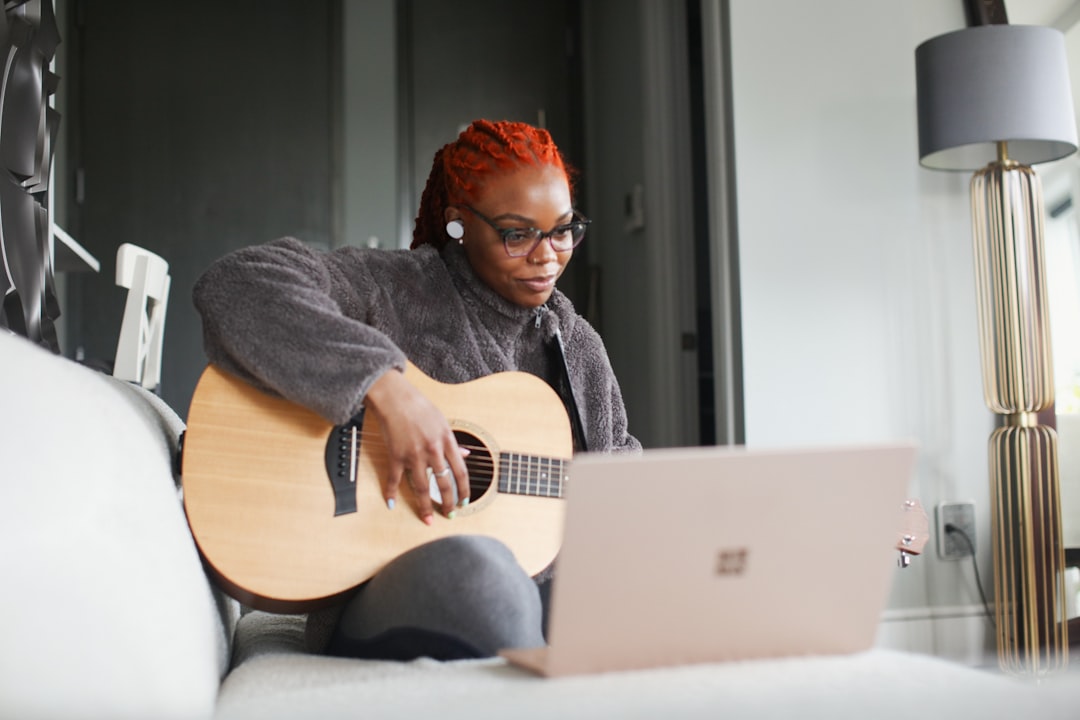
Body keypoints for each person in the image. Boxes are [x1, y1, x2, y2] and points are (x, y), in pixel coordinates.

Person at [192, 118, 641, 661]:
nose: (548, 256)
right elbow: (237, 282)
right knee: (484, 574)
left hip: (548, 598)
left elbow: (622, 487)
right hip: (383, 588)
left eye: (564, 229)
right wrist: (385, 385)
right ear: (458, 225)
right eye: (517, 234)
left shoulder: (577, 347)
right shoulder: (393, 288)